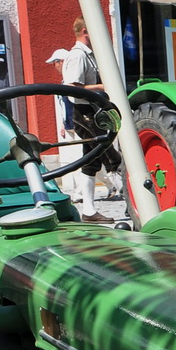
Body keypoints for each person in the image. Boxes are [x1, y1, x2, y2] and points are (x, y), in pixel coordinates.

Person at [59, 17, 118, 222]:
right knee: (111, 157)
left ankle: (89, 210)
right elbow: (72, 87)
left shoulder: (87, 54)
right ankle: (134, 200)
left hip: (90, 110)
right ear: (85, 30)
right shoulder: (78, 55)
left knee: (92, 161)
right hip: (85, 112)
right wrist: (104, 87)